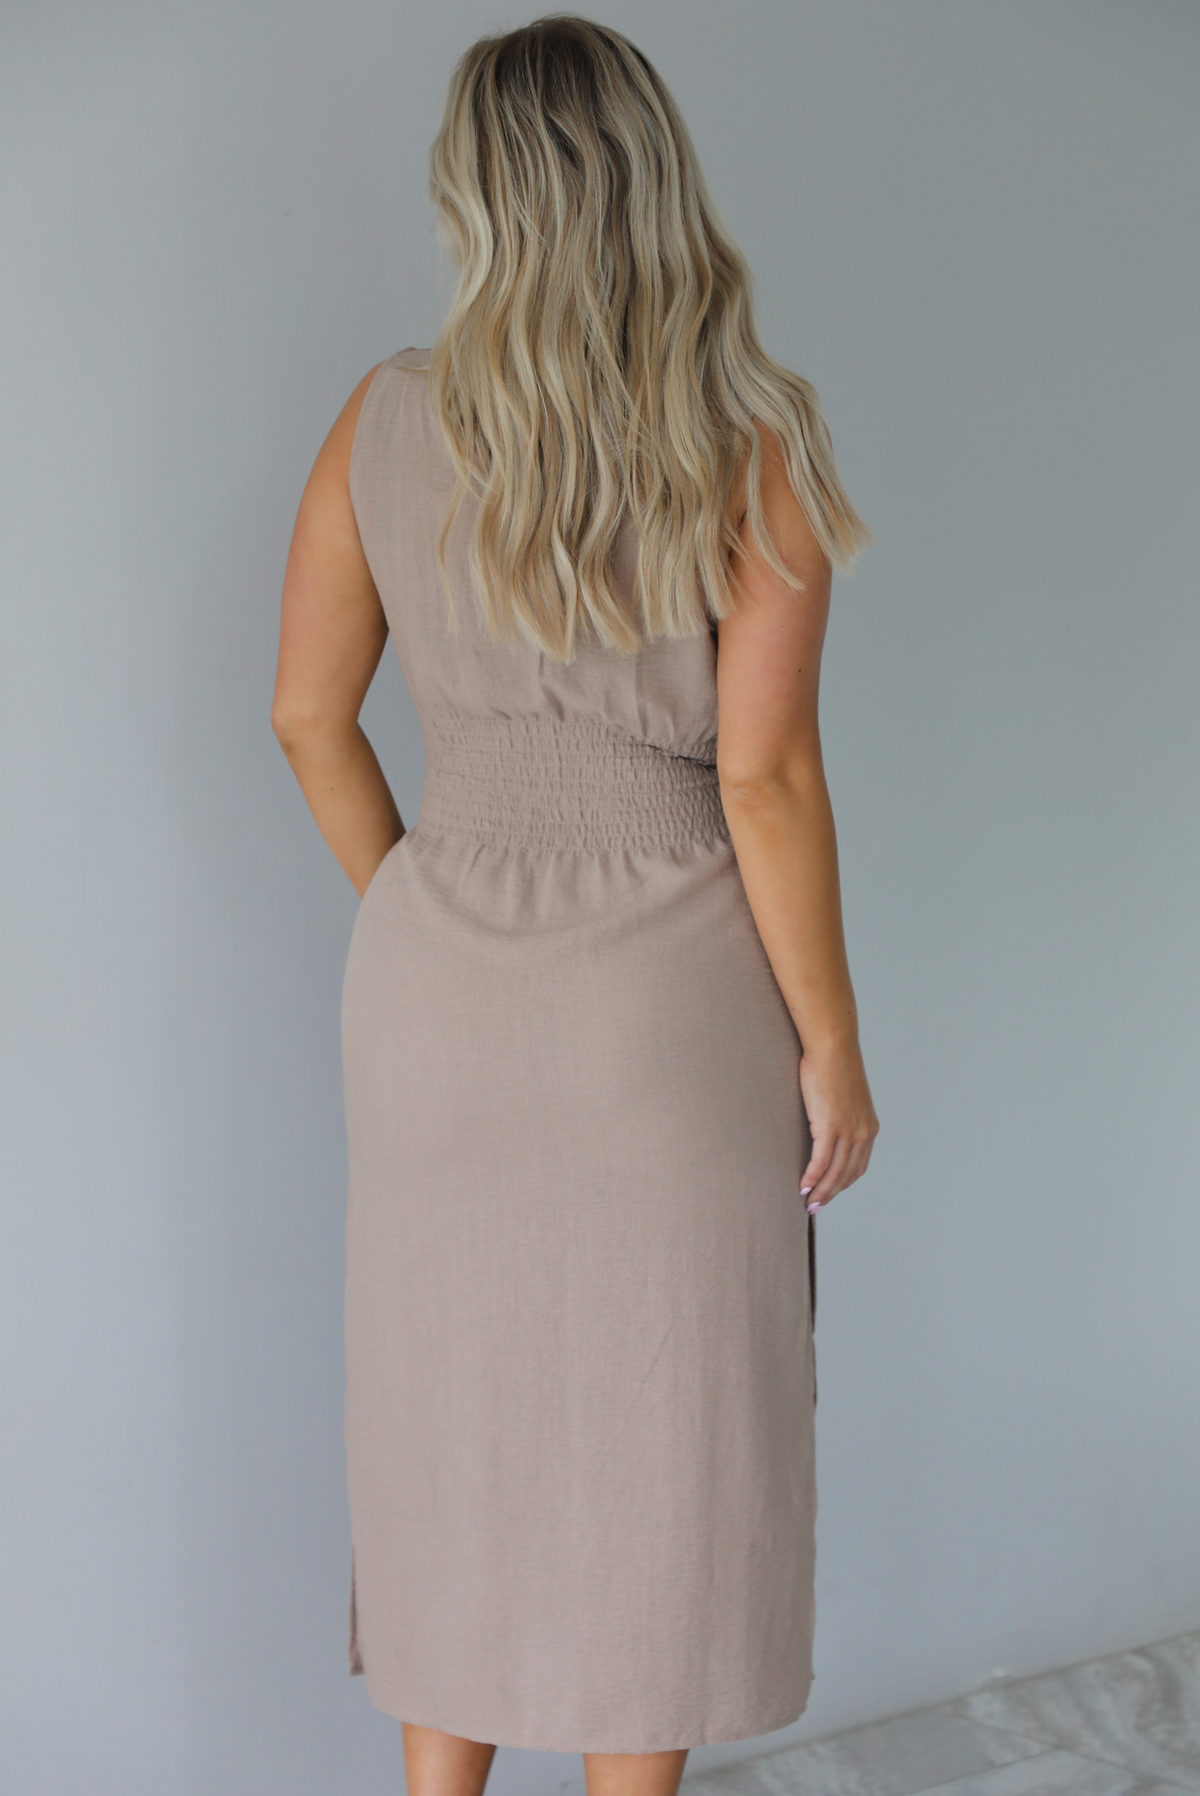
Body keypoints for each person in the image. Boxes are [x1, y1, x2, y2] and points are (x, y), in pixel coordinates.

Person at [271, 16, 879, 1796]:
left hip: (433, 1005)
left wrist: (424, 899)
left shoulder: (384, 418)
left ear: (476, 198)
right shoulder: (751, 439)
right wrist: (833, 1045)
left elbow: (306, 716)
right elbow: (764, 782)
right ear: (654, 182)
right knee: (657, 1447)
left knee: (449, 1427)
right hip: (666, 1009)